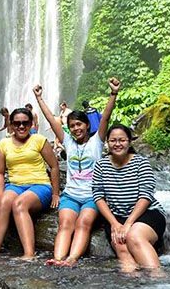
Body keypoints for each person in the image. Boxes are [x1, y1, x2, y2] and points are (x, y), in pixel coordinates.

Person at [34, 78, 120, 267]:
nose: (76, 128)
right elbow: (50, 118)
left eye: (79, 124)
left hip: (93, 197)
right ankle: (57, 259)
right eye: (72, 126)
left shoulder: (97, 141)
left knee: (83, 223)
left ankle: (72, 259)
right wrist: (39, 98)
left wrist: (113, 94)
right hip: (71, 195)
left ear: (87, 125)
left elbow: (105, 116)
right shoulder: (68, 142)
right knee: (65, 224)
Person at [0, 108, 60, 259]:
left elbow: (54, 166)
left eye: (25, 123)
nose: (21, 126)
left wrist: (56, 193)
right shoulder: (4, 144)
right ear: (11, 125)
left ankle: (29, 254)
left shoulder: (39, 140)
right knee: (4, 202)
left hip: (40, 185)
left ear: (31, 123)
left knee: (19, 204)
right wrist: (0, 198)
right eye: (17, 123)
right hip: (15, 185)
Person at [93, 124, 166, 272]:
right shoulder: (101, 165)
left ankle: (158, 280)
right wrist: (114, 224)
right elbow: (98, 196)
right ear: (107, 142)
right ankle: (133, 282)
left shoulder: (141, 163)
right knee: (121, 247)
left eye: (122, 140)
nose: (117, 144)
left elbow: (145, 195)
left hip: (146, 213)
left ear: (129, 142)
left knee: (134, 236)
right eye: (113, 140)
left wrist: (128, 223)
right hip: (116, 217)